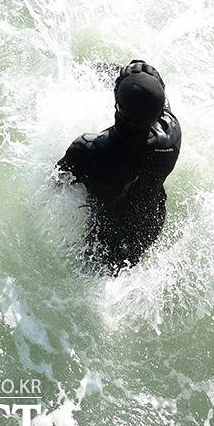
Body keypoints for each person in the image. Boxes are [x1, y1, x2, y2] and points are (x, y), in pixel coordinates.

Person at [56, 60, 181, 274]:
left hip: (105, 235)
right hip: (148, 226)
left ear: (117, 105)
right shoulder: (170, 136)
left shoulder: (88, 149)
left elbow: (58, 182)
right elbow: (156, 98)